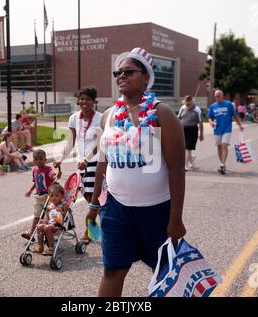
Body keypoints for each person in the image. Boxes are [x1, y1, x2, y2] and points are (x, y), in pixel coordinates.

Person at [88, 47, 186, 297]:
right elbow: (102, 161)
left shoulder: (162, 113)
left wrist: (175, 218)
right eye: (118, 72)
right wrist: (94, 203)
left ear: (146, 77)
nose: (121, 75)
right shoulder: (108, 116)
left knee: (165, 274)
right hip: (116, 210)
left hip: (156, 211)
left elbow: (176, 170)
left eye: (128, 71)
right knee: (113, 271)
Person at [53, 86, 102, 243]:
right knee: (92, 199)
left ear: (94, 101)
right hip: (81, 165)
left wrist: (87, 159)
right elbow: (71, 141)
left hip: (96, 163)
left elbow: (100, 143)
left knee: (94, 200)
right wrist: (60, 158)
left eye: (87, 99)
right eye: (81, 99)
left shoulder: (101, 118)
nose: (84, 101)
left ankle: (91, 232)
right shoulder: (74, 118)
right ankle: (100, 230)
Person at [22, 149, 61, 240]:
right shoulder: (34, 170)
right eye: (36, 159)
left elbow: (53, 176)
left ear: (45, 159)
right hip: (38, 196)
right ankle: (31, 234)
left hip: (48, 196)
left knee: (50, 214)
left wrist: (56, 176)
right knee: (36, 215)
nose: (39, 161)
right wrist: (30, 190)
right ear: (33, 160)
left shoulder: (48, 169)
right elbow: (36, 182)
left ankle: (51, 231)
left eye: (41, 159)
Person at [208, 90, 244, 174]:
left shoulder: (228, 105)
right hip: (217, 129)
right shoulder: (213, 106)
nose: (217, 98)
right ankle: (222, 164)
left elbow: (235, 115)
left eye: (218, 96)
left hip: (227, 128)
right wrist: (211, 122)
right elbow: (210, 117)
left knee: (224, 145)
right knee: (219, 147)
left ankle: (222, 164)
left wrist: (240, 125)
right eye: (215, 96)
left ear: (222, 96)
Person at [32, 183, 68, 255]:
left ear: (61, 196)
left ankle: (51, 248)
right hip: (50, 224)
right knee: (39, 227)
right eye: (51, 196)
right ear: (49, 196)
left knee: (47, 228)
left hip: (59, 225)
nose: (54, 197)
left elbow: (66, 216)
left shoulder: (63, 205)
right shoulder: (49, 207)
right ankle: (40, 246)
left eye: (57, 196)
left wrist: (62, 211)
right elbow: (47, 218)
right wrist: (44, 221)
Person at [178, 95, 204, 171]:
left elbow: (200, 122)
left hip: (192, 130)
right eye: (186, 103)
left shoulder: (197, 109)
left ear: (192, 102)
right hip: (182, 129)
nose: (187, 104)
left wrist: (201, 134)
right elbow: (178, 118)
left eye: (188, 103)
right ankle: (192, 158)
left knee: (188, 148)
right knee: (183, 147)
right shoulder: (182, 108)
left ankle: (185, 166)